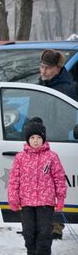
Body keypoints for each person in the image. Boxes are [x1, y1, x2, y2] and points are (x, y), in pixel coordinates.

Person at [8, 117, 67, 255]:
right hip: (27, 202)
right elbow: (14, 179)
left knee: (44, 232)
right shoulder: (20, 157)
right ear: (28, 139)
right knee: (29, 232)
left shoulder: (51, 157)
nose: (35, 141)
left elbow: (59, 179)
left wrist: (60, 198)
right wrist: (13, 198)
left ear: (43, 139)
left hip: (45, 202)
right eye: (32, 138)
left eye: (39, 137)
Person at [38, 49, 76, 240]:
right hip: (41, 140)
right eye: (42, 67)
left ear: (58, 69)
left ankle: (55, 225)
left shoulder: (66, 89)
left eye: (47, 68)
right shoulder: (42, 85)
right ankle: (42, 222)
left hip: (57, 141)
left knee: (53, 185)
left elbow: (65, 119)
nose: (43, 71)